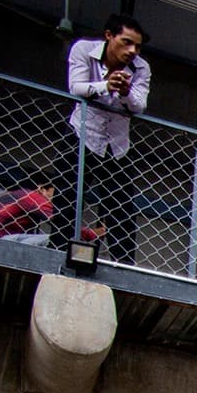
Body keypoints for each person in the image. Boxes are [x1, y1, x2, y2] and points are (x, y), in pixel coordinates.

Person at [61, 14, 150, 263]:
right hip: (82, 135)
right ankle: (58, 250)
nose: (132, 50)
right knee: (68, 196)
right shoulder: (84, 49)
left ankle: (125, 265)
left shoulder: (141, 67)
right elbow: (75, 87)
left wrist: (125, 93)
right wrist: (105, 85)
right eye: (126, 42)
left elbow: (139, 105)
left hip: (117, 145)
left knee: (121, 208)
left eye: (137, 46)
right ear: (109, 36)